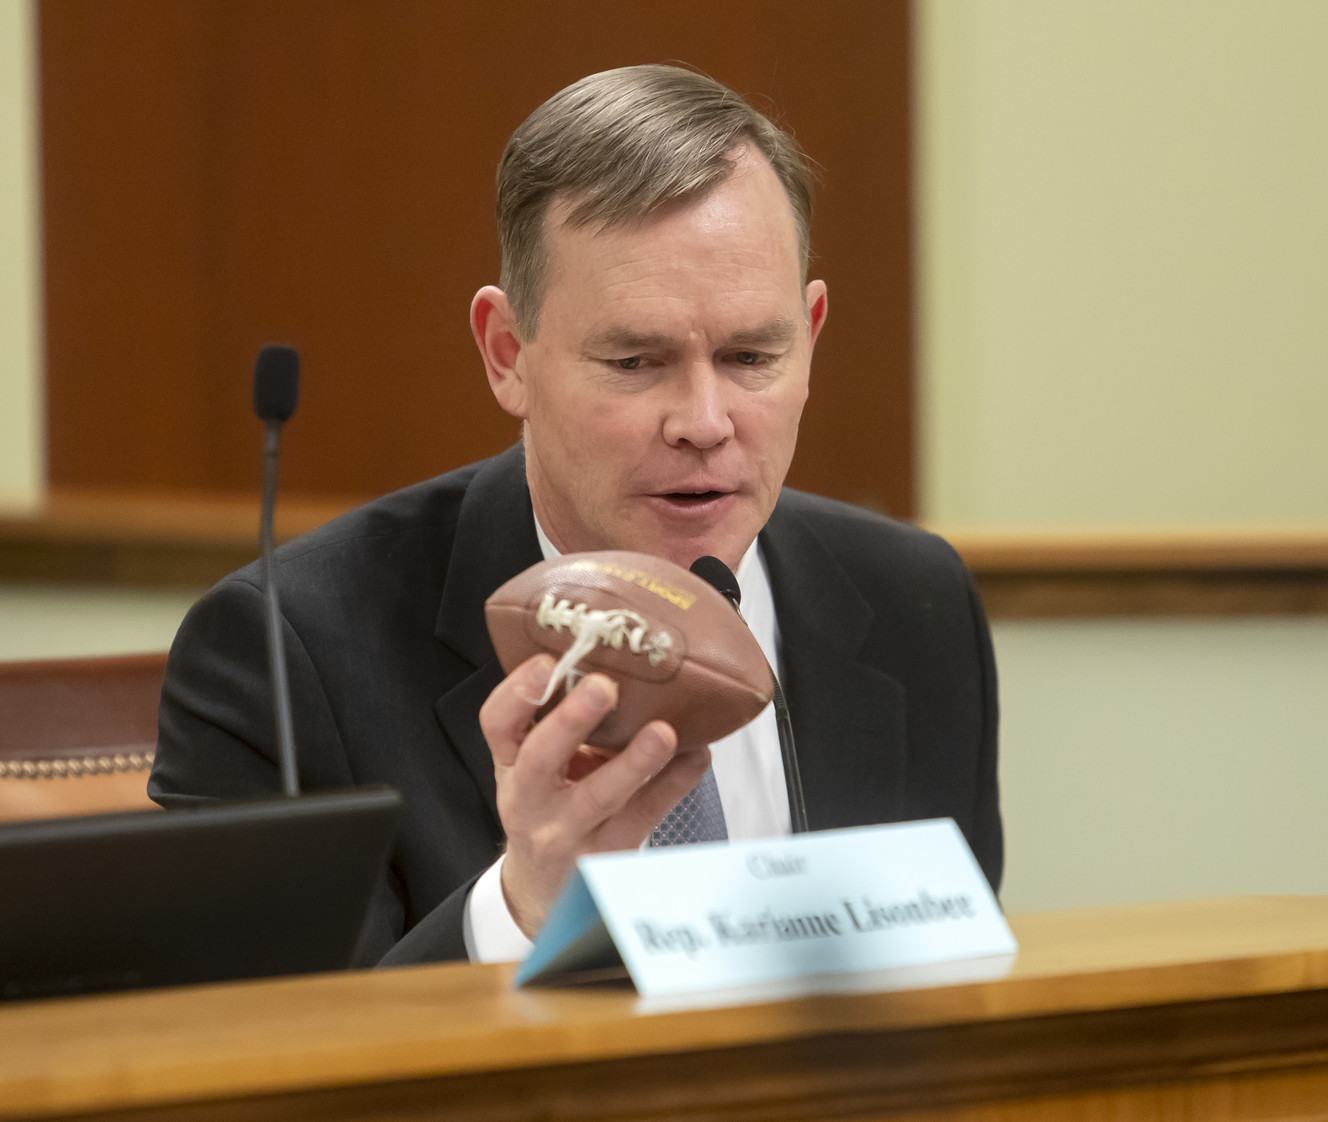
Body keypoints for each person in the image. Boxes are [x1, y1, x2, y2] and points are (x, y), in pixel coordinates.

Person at [151, 64, 1001, 966]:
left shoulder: (915, 601)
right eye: (635, 362)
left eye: (752, 355)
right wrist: (523, 909)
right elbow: (276, 1064)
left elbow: (956, 998)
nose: (704, 424)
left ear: (812, 335)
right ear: (508, 353)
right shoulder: (289, 653)